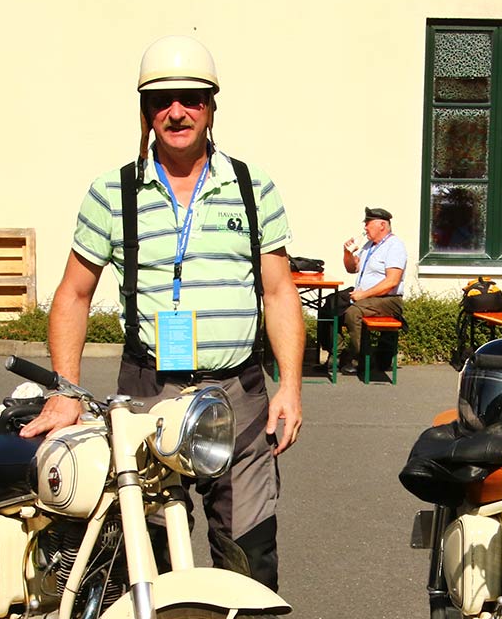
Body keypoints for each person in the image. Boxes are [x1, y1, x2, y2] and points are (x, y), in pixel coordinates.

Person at [19, 35, 303, 590]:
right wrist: (65, 391)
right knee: (148, 563)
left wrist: (289, 385)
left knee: (249, 560)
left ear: (212, 107)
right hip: (150, 393)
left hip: (239, 397)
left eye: (192, 99)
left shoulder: (251, 186)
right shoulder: (111, 192)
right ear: (146, 111)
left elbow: (279, 290)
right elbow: (73, 294)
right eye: (162, 100)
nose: (177, 112)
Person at [338, 207, 406, 371]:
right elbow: (352, 268)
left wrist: (363, 295)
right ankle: (339, 354)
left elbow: (392, 281)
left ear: (382, 225)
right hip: (365, 297)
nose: (365, 227)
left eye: (368, 223)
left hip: (388, 299)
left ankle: (362, 359)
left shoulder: (394, 246)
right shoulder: (369, 245)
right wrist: (347, 253)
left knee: (353, 313)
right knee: (330, 305)